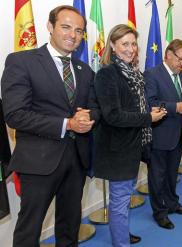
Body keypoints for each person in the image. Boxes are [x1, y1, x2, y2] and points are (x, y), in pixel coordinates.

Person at [1, 5, 95, 246]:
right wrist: (67, 123)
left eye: (79, 30)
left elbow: (95, 107)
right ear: (50, 27)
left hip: (76, 160)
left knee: (70, 225)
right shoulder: (21, 61)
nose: (72, 35)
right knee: (29, 230)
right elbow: (15, 114)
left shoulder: (86, 71)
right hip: (38, 161)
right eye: (66, 27)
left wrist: (88, 115)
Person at [92, 24, 166, 246]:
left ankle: (121, 233)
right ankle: (121, 242)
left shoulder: (134, 73)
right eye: (124, 44)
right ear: (113, 46)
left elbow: (133, 108)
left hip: (134, 145)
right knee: (120, 200)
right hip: (118, 150)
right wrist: (147, 118)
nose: (130, 48)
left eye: (133, 43)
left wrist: (148, 113)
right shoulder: (106, 74)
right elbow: (113, 116)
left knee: (123, 199)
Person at [144, 39, 182, 229]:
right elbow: (150, 102)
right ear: (168, 55)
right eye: (180, 59)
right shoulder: (152, 74)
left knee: (172, 174)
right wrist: (174, 107)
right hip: (159, 134)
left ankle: (172, 204)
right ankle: (159, 212)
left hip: (178, 134)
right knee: (157, 177)